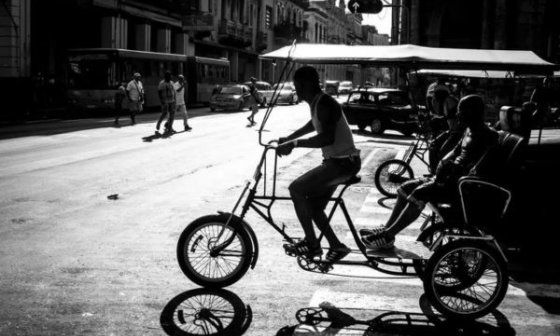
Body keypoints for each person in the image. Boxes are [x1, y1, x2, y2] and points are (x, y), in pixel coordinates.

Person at [361, 95, 499, 250]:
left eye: (461, 111)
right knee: (405, 187)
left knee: (419, 193)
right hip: (448, 180)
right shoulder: (467, 131)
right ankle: (386, 231)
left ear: (473, 112)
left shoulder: (489, 136)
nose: (458, 115)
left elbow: (478, 168)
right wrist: (442, 166)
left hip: (463, 188)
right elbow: (454, 153)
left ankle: (388, 235)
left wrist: (449, 172)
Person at [276, 66, 361, 263]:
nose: (296, 90)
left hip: (342, 164)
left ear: (307, 84)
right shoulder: (316, 103)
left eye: (297, 86)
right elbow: (312, 124)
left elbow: (326, 138)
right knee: (313, 207)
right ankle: (336, 246)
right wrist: (289, 138)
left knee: (296, 189)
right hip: (338, 162)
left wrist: (294, 144)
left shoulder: (325, 103)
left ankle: (312, 244)